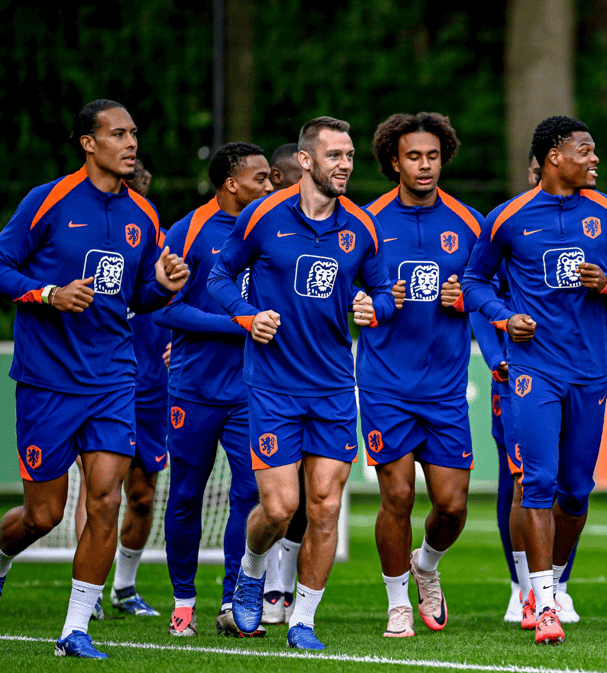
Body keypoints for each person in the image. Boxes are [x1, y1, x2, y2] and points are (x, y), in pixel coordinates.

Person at [0, 99, 189, 659]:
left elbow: (139, 298)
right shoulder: (49, 201)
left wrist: (164, 283)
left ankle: (75, 629)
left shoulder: (144, 215)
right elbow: (3, 266)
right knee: (44, 514)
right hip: (47, 380)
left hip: (113, 377)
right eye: (118, 134)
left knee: (106, 500)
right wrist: (48, 294)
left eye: (134, 133)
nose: (131, 143)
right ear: (88, 143)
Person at [209, 116, 404, 650]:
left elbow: (388, 292)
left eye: (349, 156)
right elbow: (219, 277)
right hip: (272, 386)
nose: (345, 165)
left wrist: (374, 305)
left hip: (336, 387)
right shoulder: (261, 216)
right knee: (279, 509)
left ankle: (303, 620)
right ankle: (251, 571)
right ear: (306, 161)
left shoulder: (361, 228)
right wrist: (247, 317)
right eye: (335, 155)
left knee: (324, 505)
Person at [462, 115, 607, 645]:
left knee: (577, 491)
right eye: (585, 151)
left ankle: (555, 582)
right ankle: (540, 601)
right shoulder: (507, 219)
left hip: (588, 373)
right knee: (535, 482)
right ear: (553, 158)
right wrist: (503, 316)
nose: (595, 160)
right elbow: (473, 284)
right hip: (532, 371)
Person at [359, 112, 484, 638]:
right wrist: (370, 301)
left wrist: (467, 298)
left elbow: (490, 290)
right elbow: (343, 287)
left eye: (432, 156)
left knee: (452, 506)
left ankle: (426, 564)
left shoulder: (471, 223)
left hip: (445, 388)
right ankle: (397, 603)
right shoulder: (364, 222)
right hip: (387, 382)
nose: (425, 165)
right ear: (394, 161)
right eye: (414, 156)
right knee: (397, 498)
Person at [157, 142, 273, 637]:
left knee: (252, 495)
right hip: (195, 388)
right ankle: (183, 602)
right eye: (261, 178)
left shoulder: (272, 226)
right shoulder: (189, 230)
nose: (271, 186)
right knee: (186, 495)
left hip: (254, 388)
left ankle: (233, 600)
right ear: (231, 183)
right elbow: (166, 307)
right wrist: (238, 322)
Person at [72, 160, 167, 621]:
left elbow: (181, 298)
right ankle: (85, 596)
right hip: (102, 380)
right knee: (98, 489)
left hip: (151, 387)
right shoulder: (80, 239)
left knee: (143, 493)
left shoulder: (158, 243)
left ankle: (124, 587)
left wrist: (179, 345)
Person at [261, 142, 306, 625]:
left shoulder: (339, 225)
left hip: (313, 379)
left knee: (313, 493)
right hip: (247, 378)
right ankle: (244, 580)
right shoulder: (256, 226)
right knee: (262, 500)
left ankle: (280, 583)